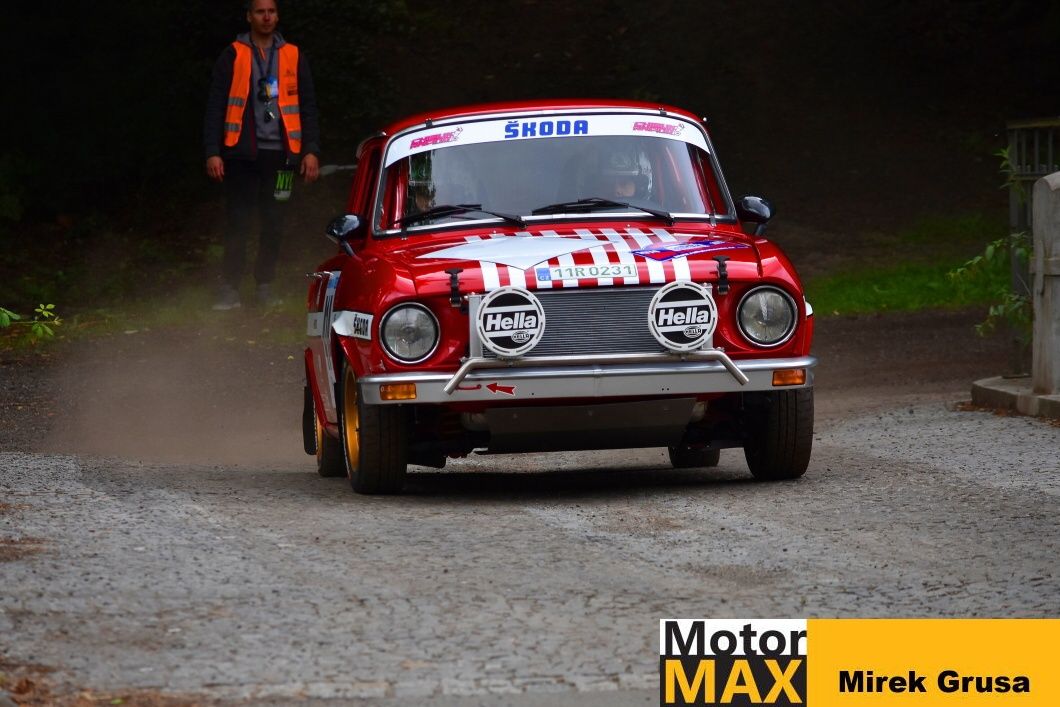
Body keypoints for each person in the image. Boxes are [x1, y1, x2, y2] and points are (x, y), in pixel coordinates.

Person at [203, 0, 320, 310]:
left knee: (275, 222)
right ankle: (230, 288)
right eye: (260, 11)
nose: (266, 17)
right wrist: (213, 151)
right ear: (249, 16)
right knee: (238, 222)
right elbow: (215, 105)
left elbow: (308, 107)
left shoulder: (293, 55)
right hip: (241, 157)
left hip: (283, 158)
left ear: (277, 16)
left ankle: (265, 284)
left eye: (271, 11)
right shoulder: (233, 54)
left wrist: (310, 150)